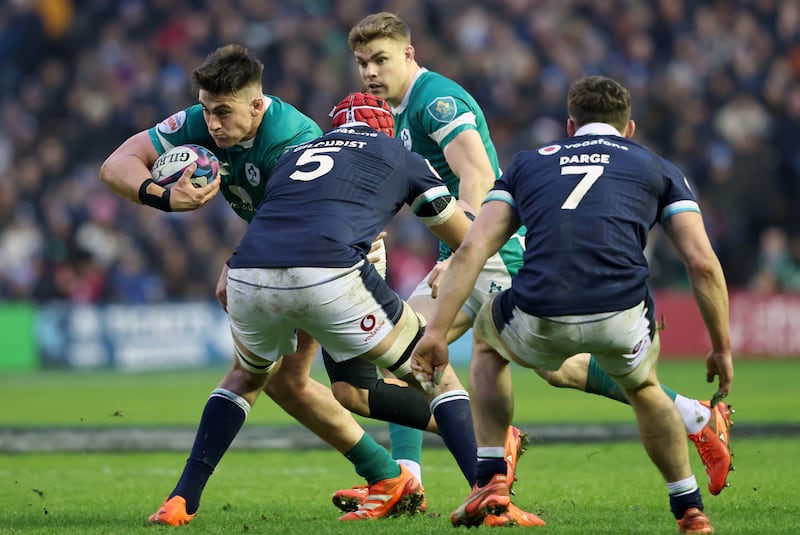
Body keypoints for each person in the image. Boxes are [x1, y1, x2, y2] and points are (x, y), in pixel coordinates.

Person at [327, 14, 734, 524]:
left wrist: (460, 252)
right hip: (467, 248)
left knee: (532, 362)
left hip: (490, 250)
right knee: (412, 352)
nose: (369, 71)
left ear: (409, 55)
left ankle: (693, 417)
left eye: (381, 59)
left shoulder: (435, 101)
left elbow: (476, 172)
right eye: (362, 62)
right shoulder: (400, 110)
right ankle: (408, 476)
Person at [100, 45, 419, 525]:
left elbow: (296, 217)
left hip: (334, 257)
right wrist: (163, 197)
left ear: (256, 105)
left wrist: (239, 262)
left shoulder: (293, 137)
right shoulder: (198, 121)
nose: (211, 125)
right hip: (282, 259)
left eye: (222, 113)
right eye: (206, 111)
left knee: (353, 389)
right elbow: (118, 163)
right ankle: (389, 474)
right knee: (286, 383)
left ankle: (459, 445)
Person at [411, 75, 734, 533]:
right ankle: (690, 509)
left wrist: (437, 333)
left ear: (569, 126)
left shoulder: (528, 164)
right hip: (622, 310)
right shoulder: (658, 167)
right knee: (644, 389)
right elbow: (702, 263)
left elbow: (473, 251)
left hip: (541, 306)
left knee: (488, 342)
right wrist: (721, 345)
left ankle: (490, 479)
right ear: (629, 129)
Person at [223, 91, 480, 519]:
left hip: (327, 270)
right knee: (352, 391)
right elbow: (460, 233)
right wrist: (455, 254)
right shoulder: (394, 151)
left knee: (409, 369)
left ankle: (455, 470)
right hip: (339, 268)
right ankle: (410, 475)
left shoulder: (300, 153)